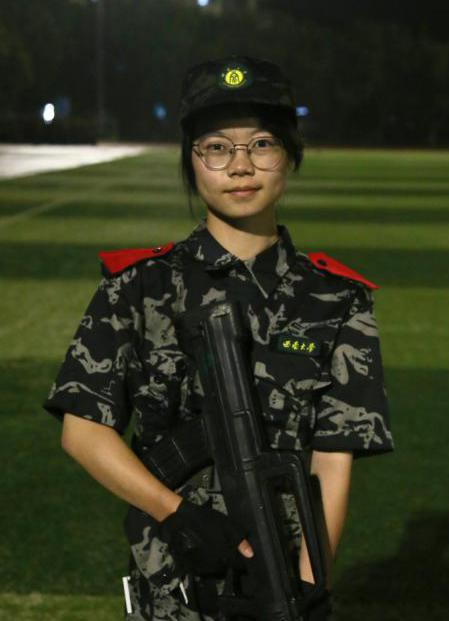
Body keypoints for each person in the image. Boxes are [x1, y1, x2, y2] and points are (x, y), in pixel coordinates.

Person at [43, 55, 394, 621]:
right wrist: (176, 513)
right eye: (217, 147)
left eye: (262, 144)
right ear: (191, 159)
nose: (241, 166)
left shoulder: (337, 300)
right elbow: (82, 431)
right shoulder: (139, 287)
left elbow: (332, 460)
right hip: (169, 597)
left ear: (290, 155)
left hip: (283, 583)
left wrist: (307, 587)